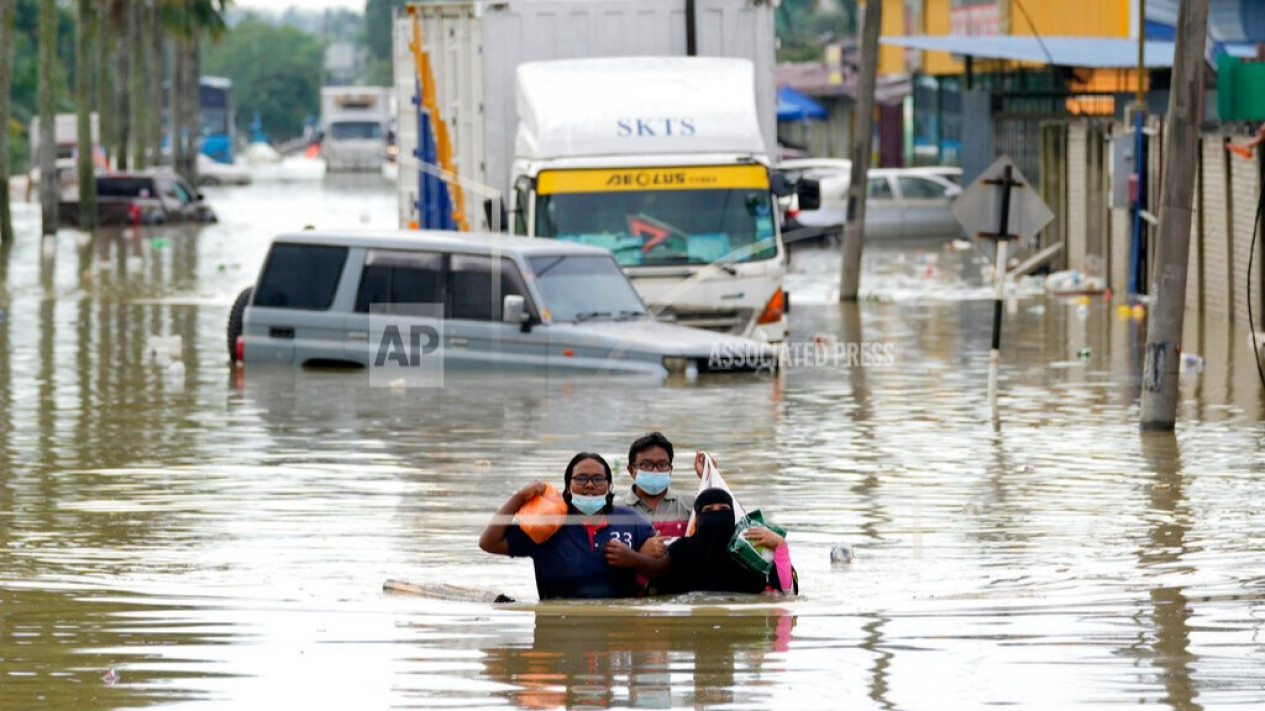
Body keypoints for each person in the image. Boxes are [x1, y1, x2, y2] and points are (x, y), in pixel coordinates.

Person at [479, 452, 659, 600]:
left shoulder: (628, 520)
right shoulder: (548, 525)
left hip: (616, 635)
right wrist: (519, 497)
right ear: (567, 487)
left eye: (598, 479)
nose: (589, 485)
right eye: (581, 478)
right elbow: (489, 543)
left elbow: (664, 567)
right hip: (557, 635)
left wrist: (634, 559)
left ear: (609, 486)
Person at [648, 488, 794, 595]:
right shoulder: (680, 551)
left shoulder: (749, 549)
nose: (717, 514)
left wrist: (781, 547)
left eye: (723, 509)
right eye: (709, 510)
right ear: (698, 517)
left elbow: (787, 592)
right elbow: (654, 594)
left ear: (732, 514)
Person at [620, 432, 705, 545]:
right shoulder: (616, 511)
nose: (655, 471)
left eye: (662, 465)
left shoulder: (692, 506)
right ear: (631, 470)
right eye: (646, 465)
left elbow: (728, 521)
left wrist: (708, 478)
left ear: (670, 469)